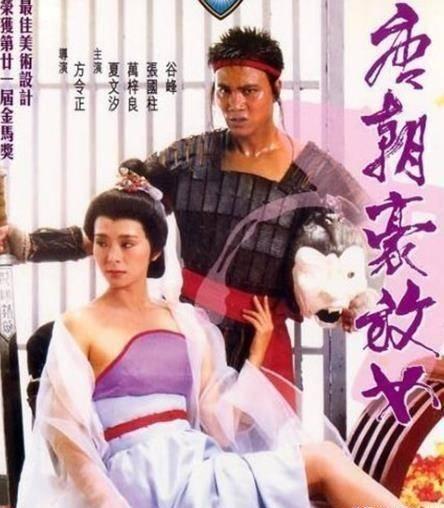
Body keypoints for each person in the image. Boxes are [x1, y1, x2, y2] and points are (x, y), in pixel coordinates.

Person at [17, 169, 404, 508]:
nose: (112, 256)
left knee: (325, 461)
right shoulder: (77, 326)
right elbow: (67, 435)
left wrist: (257, 353)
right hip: (136, 482)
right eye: (102, 242)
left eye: (127, 243)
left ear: (155, 250)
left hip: (197, 466)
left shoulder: (184, 321)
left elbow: (220, 423)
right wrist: (109, 503)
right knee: (322, 465)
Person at [0, 27, 369, 383]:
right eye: (224, 91)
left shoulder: (317, 172)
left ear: (276, 89)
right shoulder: (191, 157)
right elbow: (120, 224)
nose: (234, 104)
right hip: (190, 332)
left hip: (263, 339)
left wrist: (352, 296)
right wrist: (31, 245)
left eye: (249, 91)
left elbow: (369, 233)